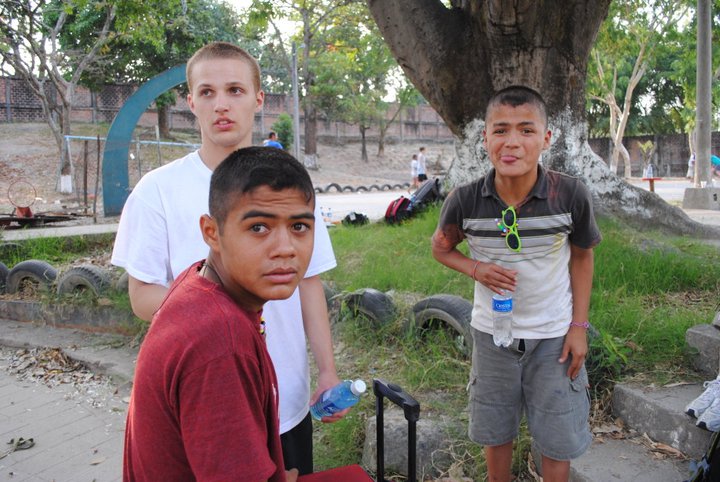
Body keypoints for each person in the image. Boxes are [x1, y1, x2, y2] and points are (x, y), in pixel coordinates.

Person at [111, 42, 344, 476]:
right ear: (190, 102)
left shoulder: (287, 184)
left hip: (285, 394)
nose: (221, 104)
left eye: (235, 90)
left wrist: (327, 371)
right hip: (209, 391)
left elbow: (309, 283)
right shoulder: (157, 191)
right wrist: (215, 320)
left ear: (258, 99)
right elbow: (141, 296)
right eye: (207, 92)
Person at [431, 85, 601, 482]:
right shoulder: (465, 200)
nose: (512, 142)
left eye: (526, 130)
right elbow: (440, 248)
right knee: (496, 430)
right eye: (500, 130)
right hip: (492, 336)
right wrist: (476, 269)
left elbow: (582, 256)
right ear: (485, 138)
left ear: (546, 138)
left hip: (555, 338)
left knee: (557, 438)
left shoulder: (569, 195)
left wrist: (578, 327)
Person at [124, 147, 314, 482]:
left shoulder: (196, 280)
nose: (285, 248)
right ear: (212, 232)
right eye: (259, 227)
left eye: (299, 226)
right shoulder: (221, 342)